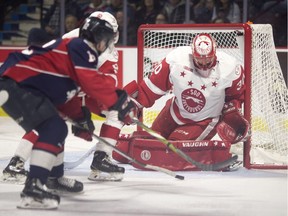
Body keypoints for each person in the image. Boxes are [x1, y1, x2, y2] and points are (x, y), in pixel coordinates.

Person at [0, 14, 135, 209]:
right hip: (17, 83)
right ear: (101, 37)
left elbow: (66, 94)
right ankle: (34, 186)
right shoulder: (81, 47)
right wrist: (118, 101)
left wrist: (80, 118)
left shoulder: (75, 48)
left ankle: (53, 178)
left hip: (18, 83)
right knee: (52, 128)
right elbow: (92, 82)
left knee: (55, 125)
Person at [120, 33, 250, 170]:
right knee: (153, 144)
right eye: (199, 60)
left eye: (208, 60)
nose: (204, 65)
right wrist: (134, 104)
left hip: (204, 121)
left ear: (215, 53)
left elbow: (235, 96)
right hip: (173, 113)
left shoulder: (230, 67)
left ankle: (213, 156)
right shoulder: (176, 60)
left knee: (174, 153)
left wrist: (231, 112)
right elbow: (151, 88)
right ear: (192, 54)